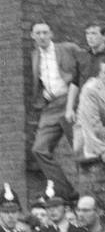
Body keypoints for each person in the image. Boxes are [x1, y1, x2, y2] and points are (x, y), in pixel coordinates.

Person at [28, 22, 80, 198]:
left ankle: (90, 193)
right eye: (38, 33)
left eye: (45, 32)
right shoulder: (35, 55)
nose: (42, 36)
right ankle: (67, 192)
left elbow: (86, 64)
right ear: (32, 36)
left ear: (51, 34)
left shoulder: (67, 48)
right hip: (50, 106)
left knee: (80, 148)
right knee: (39, 149)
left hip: (69, 101)